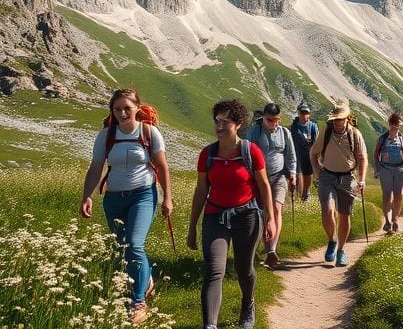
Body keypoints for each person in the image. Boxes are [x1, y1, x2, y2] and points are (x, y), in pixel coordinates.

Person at [80, 88, 173, 326]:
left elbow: (162, 167)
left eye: (127, 108)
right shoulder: (105, 136)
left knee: (134, 243)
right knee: (122, 249)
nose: (122, 113)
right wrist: (87, 196)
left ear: (137, 109)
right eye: (117, 109)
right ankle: (146, 280)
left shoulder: (150, 133)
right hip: (113, 198)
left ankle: (138, 302)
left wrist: (167, 198)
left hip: (143, 195)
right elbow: (95, 168)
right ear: (112, 111)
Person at [187, 100, 276, 329]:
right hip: (215, 216)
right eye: (217, 120)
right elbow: (200, 191)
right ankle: (210, 325)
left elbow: (264, 185)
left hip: (246, 216)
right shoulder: (207, 154)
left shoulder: (250, 151)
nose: (219, 125)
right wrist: (192, 227)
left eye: (225, 121)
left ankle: (248, 303)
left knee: (244, 269)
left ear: (238, 124)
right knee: (214, 270)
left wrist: (270, 218)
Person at [309, 102, 367, 267]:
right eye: (335, 119)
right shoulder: (326, 132)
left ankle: (341, 250)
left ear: (347, 118)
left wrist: (362, 179)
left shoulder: (355, 134)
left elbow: (362, 158)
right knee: (327, 211)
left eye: (340, 119)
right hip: (327, 176)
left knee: (344, 215)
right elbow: (313, 153)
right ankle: (332, 240)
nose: (336, 122)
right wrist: (317, 171)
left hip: (347, 178)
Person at [245, 102, 296, 266]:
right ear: (264, 118)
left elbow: (290, 155)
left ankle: (272, 249)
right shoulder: (254, 132)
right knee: (261, 213)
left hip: (278, 176)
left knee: (275, 208)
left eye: (276, 120)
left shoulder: (284, 133)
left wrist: (293, 174)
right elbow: (246, 153)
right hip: (258, 178)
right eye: (270, 120)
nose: (273, 123)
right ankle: (265, 248)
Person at [372, 112, 403, 234]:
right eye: (393, 124)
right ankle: (388, 221)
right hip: (385, 169)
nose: (395, 127)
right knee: (387, 195)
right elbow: (376, 154)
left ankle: (395, 219)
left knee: (399, 195)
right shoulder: (382, 138)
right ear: (389, 124)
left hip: (401, 169)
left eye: (398, 125)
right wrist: (377, 168)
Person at [290, 101, 319, 202]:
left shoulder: (313, 126)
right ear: (298, 113)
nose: (304, 115)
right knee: (296, 173)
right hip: (296, 152)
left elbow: (317, 141)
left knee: (308, 173)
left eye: (306, 113)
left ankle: (306, 192)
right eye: (302, 113)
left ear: (309, 114)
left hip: (308, 153)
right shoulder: (294, 126)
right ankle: (296, 194)